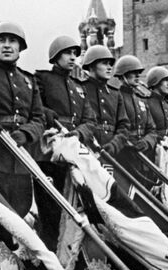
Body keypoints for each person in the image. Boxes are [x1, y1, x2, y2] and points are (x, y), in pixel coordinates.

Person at [0, 22, 45, 218]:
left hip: (21, 161)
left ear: (20, 47)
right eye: (1, 41)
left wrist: (25, 133)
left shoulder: (28, 80)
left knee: (20, 213)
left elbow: (39, 118)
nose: (7, 45)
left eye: (12, 41)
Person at [33, 35, 96, 248]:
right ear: (55, 56)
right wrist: (48, 114)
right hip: (50, 153)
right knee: (52, 207)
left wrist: (78, 133)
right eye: (67, 53)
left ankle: (73, 250)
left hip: (75, 151)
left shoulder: (79, 87)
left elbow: (90, 120)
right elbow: (34, 107)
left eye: (75, 54)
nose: (72, 58)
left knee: (78, 205)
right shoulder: (41, 79)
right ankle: (51, 249)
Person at [113, 55, 157, 186]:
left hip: (143, 156)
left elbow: (152, 130)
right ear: (123, 75)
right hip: (124, 156)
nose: (137, 76)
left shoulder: (141, 100)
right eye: (133, 73)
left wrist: (146, 142)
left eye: (139, 73)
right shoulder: (116, 97)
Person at [80, 45, 130, 157]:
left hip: (113, 152)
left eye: (110, 64)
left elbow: (124, 125)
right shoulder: (81, 88)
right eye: (104, 63)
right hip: (87, 149)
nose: (109, 67)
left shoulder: (115, 94)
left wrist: (114, 145)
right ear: (91, 66)